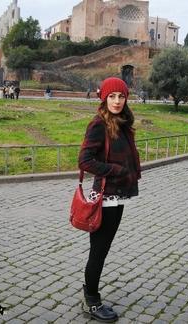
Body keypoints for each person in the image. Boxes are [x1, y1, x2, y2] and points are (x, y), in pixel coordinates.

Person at [78, 77, 141, 322]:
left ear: (126, 99)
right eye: (112, 96)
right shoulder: (99, 124)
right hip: (104, 197)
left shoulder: (122, 123)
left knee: (101, 250)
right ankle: (91, 301)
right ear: (104, 98)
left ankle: (90, 294)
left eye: (121, 96)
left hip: (117, 195)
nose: (116, 101)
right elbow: (85, 161)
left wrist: (130, 172)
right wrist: (116, 170)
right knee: (98, 251)